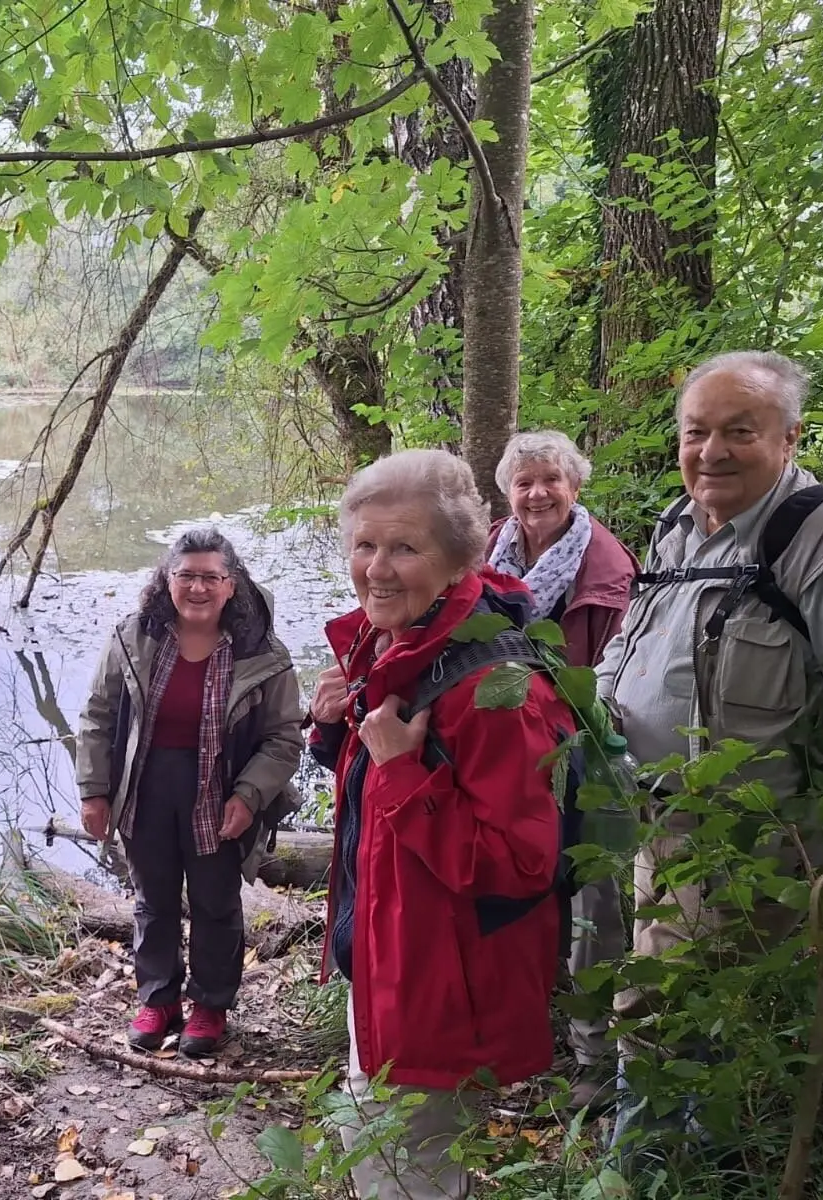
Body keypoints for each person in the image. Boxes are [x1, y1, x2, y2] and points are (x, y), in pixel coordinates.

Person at [595, 350, 823, 1159]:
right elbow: (629, 653)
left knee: (666, 1027)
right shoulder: (680, 525)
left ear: (790, 437)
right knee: (684, 1030)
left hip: (762, 852)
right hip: (660, 836)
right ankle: (702, 1162)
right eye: (696, 432)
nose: (712, 451)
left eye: (740, 431)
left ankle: (649, 1173)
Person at [309, 449, 570, 1200]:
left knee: (405, 1170)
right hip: (389, 960)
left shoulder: (497, 689)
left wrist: (399, 769)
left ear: (459, 559)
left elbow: (521, 862)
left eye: (404, 547)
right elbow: (376, 817)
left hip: (441, 986)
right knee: (380, 1140)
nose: (376, 568)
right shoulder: (392, 642)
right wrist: (337, 734)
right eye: (364, 545)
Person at [75, 528, 303, 1058]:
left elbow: (284, 737)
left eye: (210, 577)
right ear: (167, 580)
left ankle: (210, 1005)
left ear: (231, 585)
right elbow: (98, 716)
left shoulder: (261, 650)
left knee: (216, 904)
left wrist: (248, 795)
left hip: (220, 792)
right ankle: (158, 999)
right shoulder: (135, 636)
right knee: (152, 902)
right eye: (186, 576)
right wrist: (94, 791)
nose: (197, 588)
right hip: (145, 786)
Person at [487, 430, 638, 1111]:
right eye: (524, 482)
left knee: (591, 904)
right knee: (514, 888)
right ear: (507, 492)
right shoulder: (488, 551)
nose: (537, 492)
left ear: (575, 486)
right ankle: (516, 1038)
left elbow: (621, 675)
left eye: (551, 479)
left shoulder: (607, 568)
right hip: (505, 750)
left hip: (587, 753)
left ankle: (594, 1058)